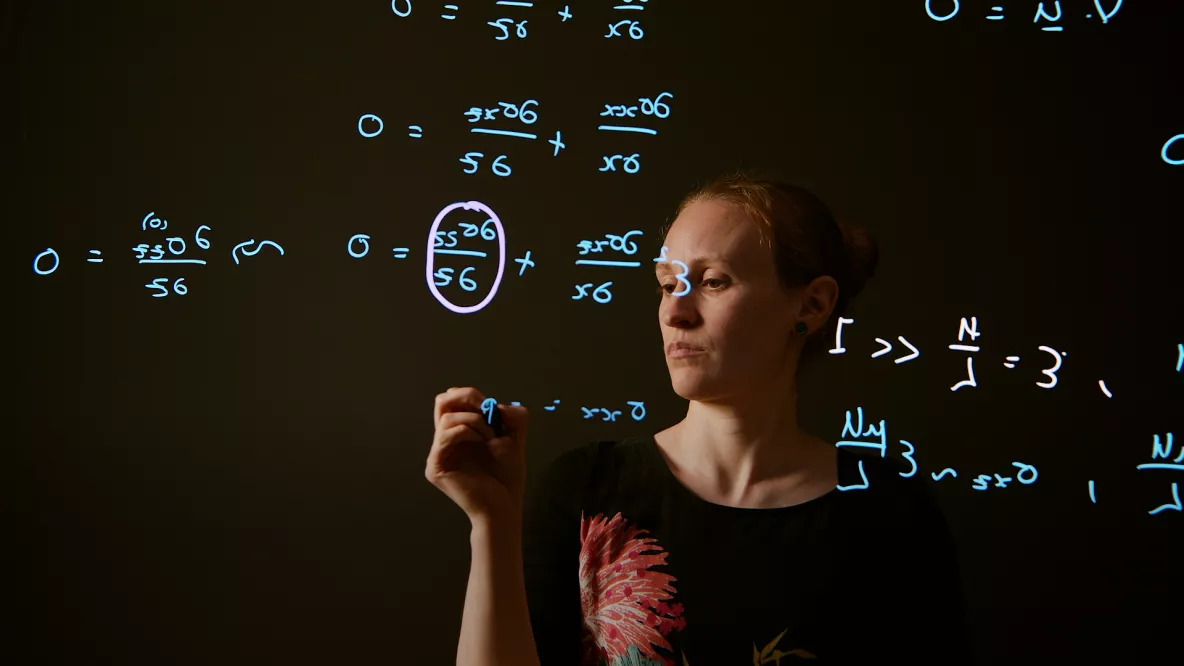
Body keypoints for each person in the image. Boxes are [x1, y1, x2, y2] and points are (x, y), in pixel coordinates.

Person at [427, 171, 973, 666]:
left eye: (713, 281)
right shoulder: (587, 489)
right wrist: (491, 524)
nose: (674, 311)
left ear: (811, 306)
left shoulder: (889, 513)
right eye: (667, 284)